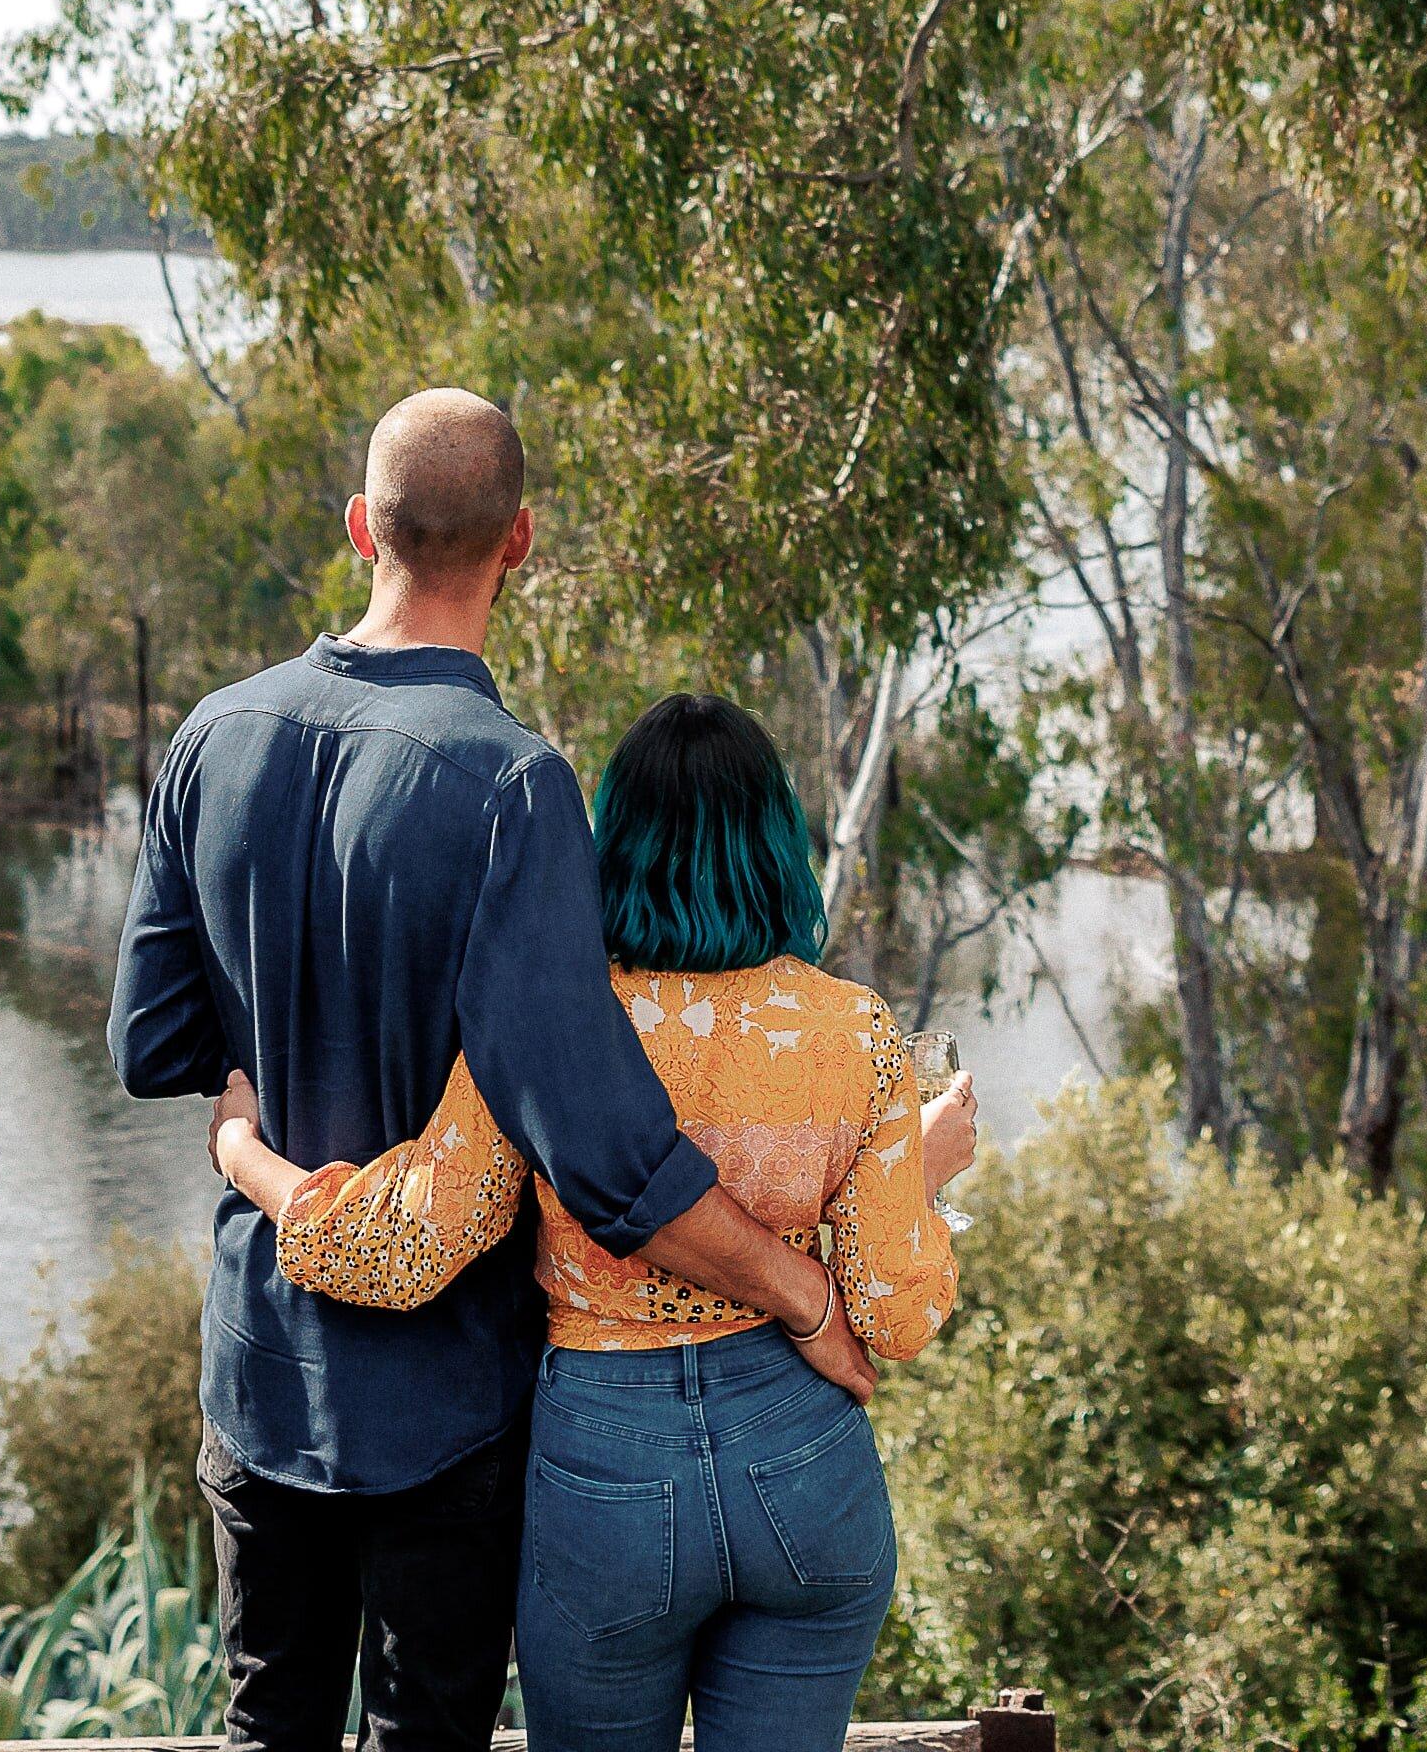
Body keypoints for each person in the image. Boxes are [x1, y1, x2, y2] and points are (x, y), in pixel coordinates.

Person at [111, 391, 875, 1752]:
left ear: (361, 528)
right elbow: (604, 1147)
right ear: (519, 543)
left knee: (260, 1727)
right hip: (446, 1403)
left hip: (261, 1372)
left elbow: (151, 1045)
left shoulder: (211, 740)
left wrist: (257, 1127)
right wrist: (801, 1293)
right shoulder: (512, 787)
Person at [214, 692, 977, 1752]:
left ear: (610, 845)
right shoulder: (858, 1034)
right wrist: (923, 1175)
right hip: (805, 1465)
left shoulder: (555, 1022)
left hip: (607, 1481)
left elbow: (400, 1249)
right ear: (777, 847)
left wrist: (242, 1153)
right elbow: (896, 1318)